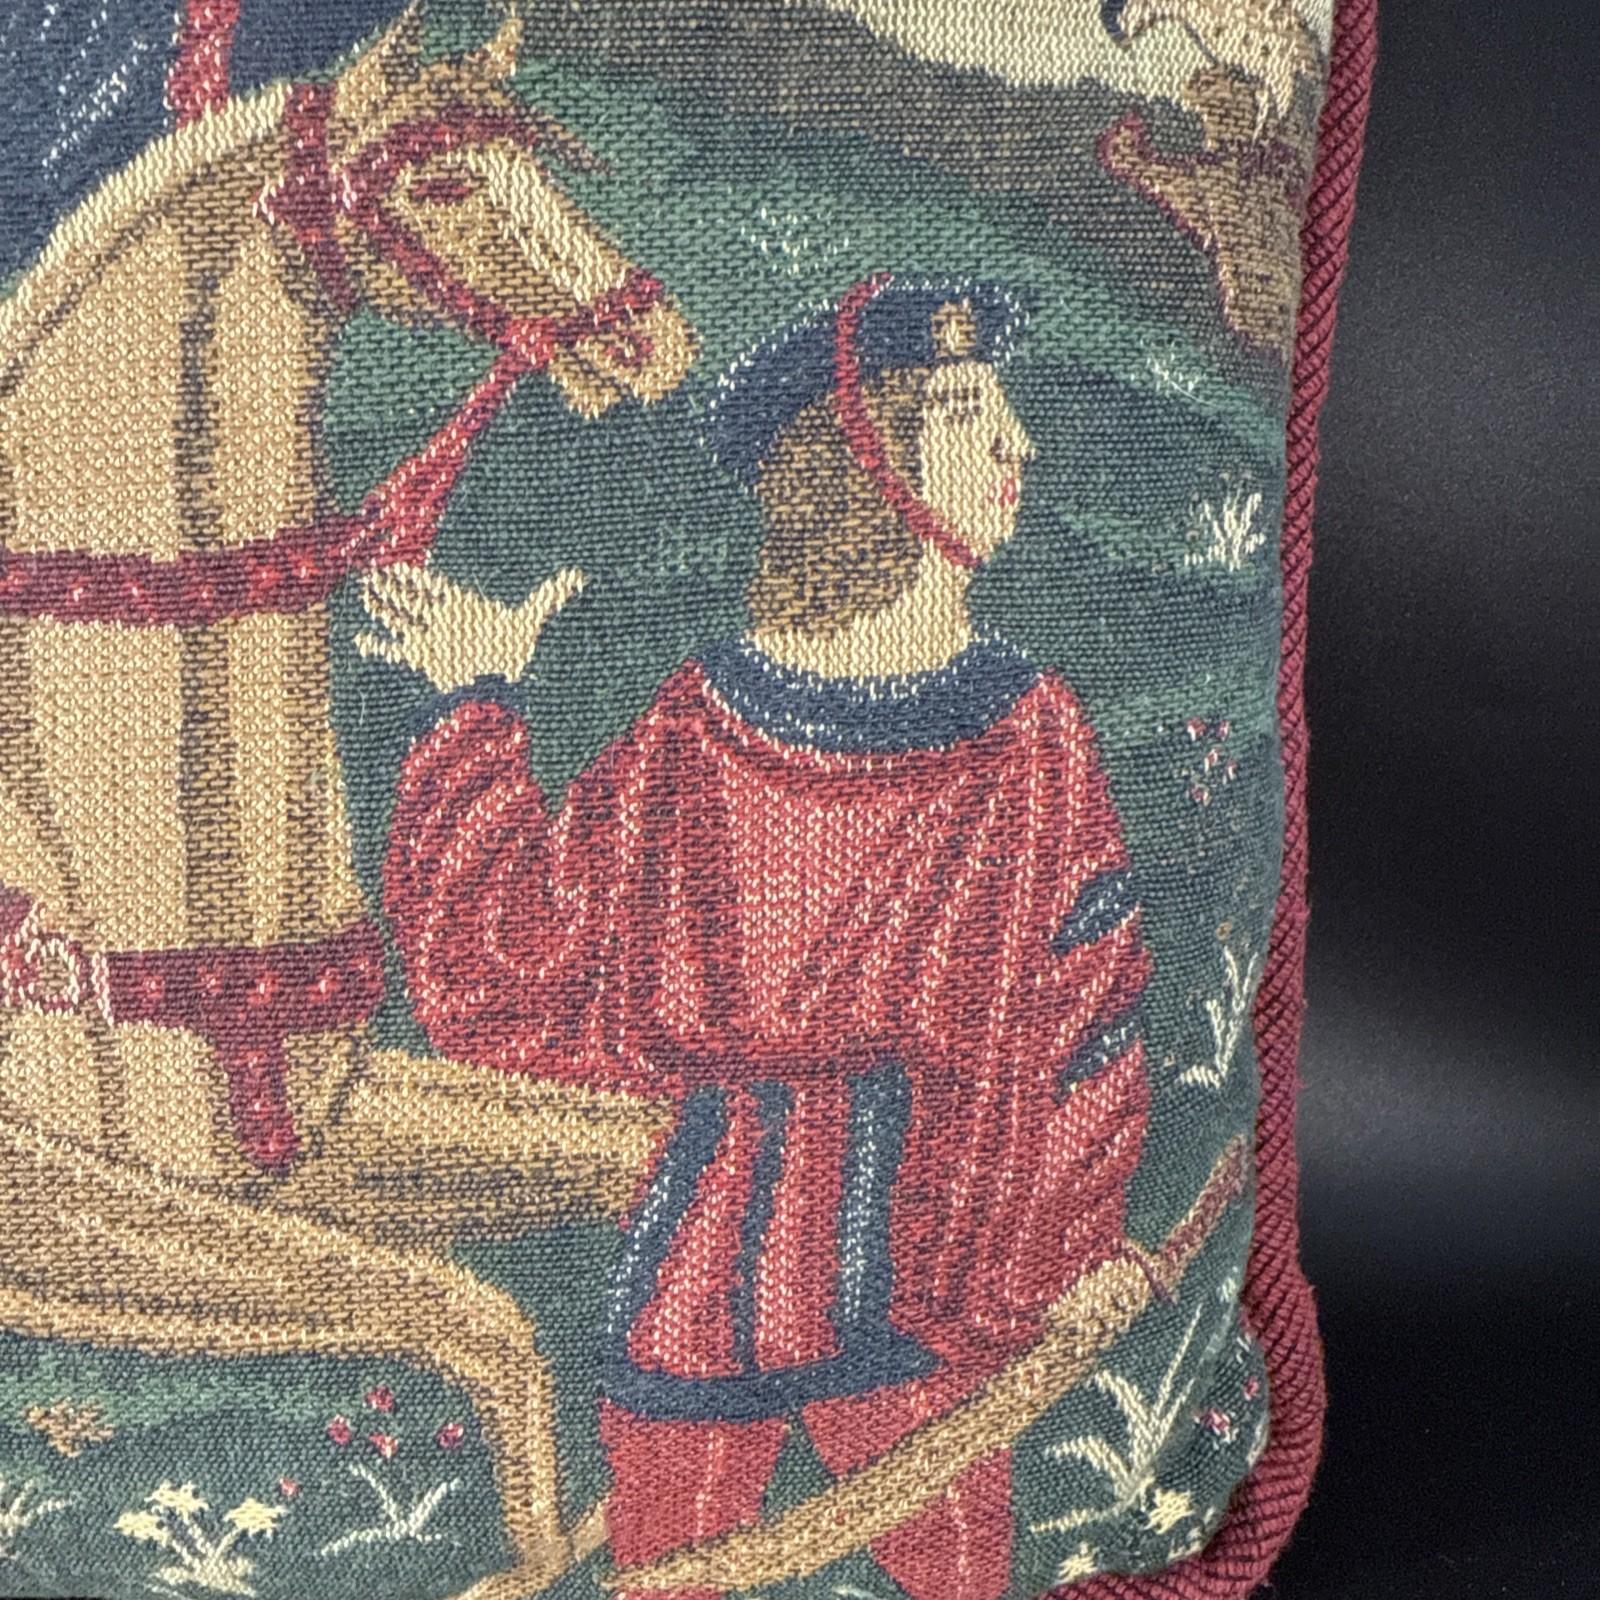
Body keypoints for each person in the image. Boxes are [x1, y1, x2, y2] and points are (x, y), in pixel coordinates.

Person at [364, 272, 1152, 1600]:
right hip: (713, 1251)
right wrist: (475, 702)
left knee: (955, 1566)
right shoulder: (699, 725)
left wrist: (1070, 1260)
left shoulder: (1032, 737)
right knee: (672, 1564)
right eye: (970, 415)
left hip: (939, 1257)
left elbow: (1089, 1019)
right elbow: (518, 970)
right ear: (870, 463)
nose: (1019, 443)